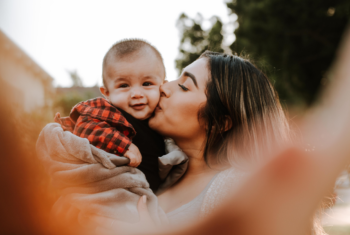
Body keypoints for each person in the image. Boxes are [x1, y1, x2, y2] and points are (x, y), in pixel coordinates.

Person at [54, 39, 181, 192]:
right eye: (124, 85)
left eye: (147, 83)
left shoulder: (161, 118)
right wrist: (122, 145)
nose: (136, 94)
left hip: (150, 199)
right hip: (112, 194)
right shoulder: (110, 112)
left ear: (163, 86)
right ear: (107, 93)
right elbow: (85, 126)